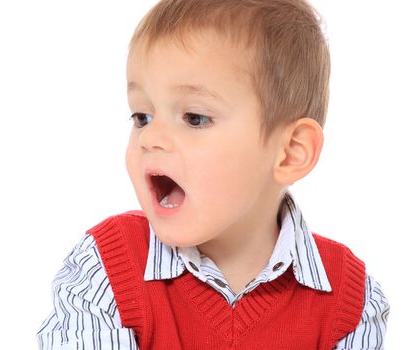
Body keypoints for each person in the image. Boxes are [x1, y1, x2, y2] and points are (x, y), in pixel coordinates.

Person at [36, 0, 390, 348]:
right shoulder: (105, 271)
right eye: (142, 117)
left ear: (291, 151)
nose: (151, 138)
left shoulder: (350, 301)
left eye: (195, 118)